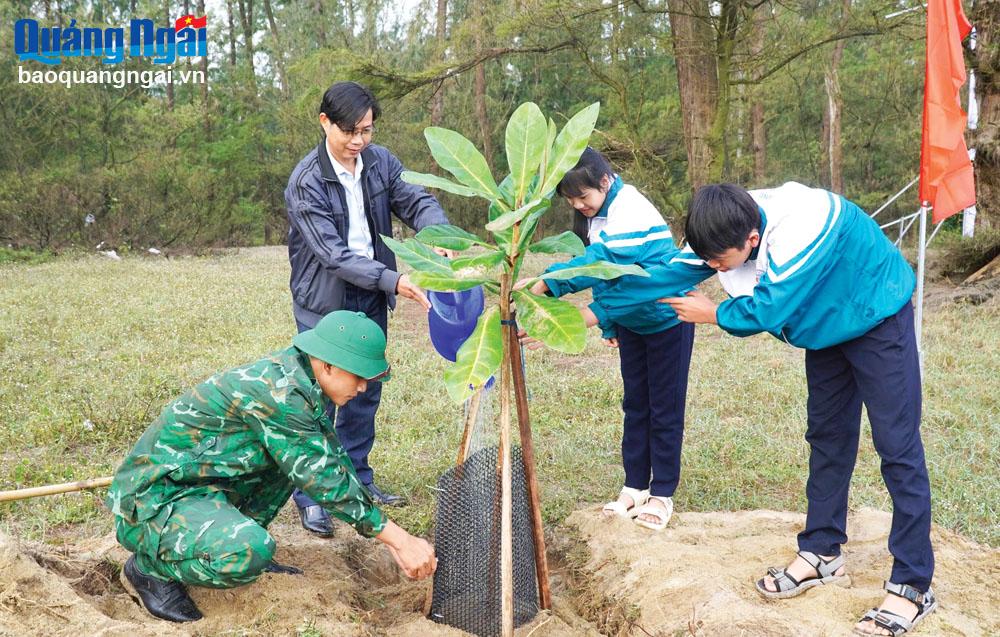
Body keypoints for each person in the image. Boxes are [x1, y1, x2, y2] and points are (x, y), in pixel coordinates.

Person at [590, 182, 936, 636]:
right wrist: (574, 300)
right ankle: (822, 551)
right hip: (826, 327)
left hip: (875, 313)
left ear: (751, 241)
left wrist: (712, 314)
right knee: (827, 439)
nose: (713, 269)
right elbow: (665, 273)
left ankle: (912, 583)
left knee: (897, 446)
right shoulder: (726, 223)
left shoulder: (801, 225)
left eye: (719, 263)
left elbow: (769, 309)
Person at [107, 311, 437, 623]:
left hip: (201, 486)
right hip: (153, 501)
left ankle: (228, 533)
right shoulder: (281, 395)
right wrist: (400, 540)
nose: (363, 387)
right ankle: (149, 569)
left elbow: (327, 460)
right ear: (328, 366)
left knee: (287, 465)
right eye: (359, 376)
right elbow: (323, 479)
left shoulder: (300, 379)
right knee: (249, 550)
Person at [285, 81, 451, 534]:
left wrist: (437, 238)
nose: (358, 141)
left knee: (364, 387)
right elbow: (333, 255)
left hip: (371, 292)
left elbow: (416, 200)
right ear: (325, 123)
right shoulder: (306, 182)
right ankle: (312, 494)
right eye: (350, 131)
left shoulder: (379, 163)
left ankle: (357, 478)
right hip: (327, 298)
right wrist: (396, 280)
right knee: (321, 395)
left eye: (367, 130)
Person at [517, 148, 696, 531]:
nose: (579, 205)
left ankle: (662, 493)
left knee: (664, 410)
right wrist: (611, 326)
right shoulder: (600, 215)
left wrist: (546, 283)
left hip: (666, 320)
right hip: (630, 322)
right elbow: (608, 278)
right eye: (571, 200)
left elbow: (598, 264)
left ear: (605, 180)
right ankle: (635, 486)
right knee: (635, 406)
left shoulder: (631, 209)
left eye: (583, 196)